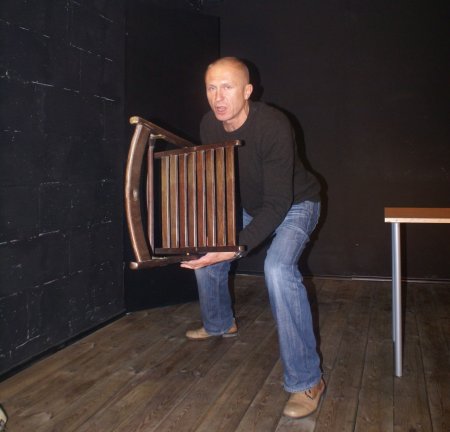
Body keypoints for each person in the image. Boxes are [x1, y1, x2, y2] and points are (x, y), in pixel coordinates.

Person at [180, 56, 325, 419]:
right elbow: (219, 182)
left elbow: (277, 203)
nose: (218, 97)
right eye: (211, 88)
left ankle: (308, 380)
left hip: (297, 203)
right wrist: (212, 234)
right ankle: (219, 323)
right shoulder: (209, 124)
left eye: (227, 87)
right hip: (253, 204)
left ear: (247, 91)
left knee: (277, 269)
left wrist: (234, 246)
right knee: (207, 249)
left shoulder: (272, 125)